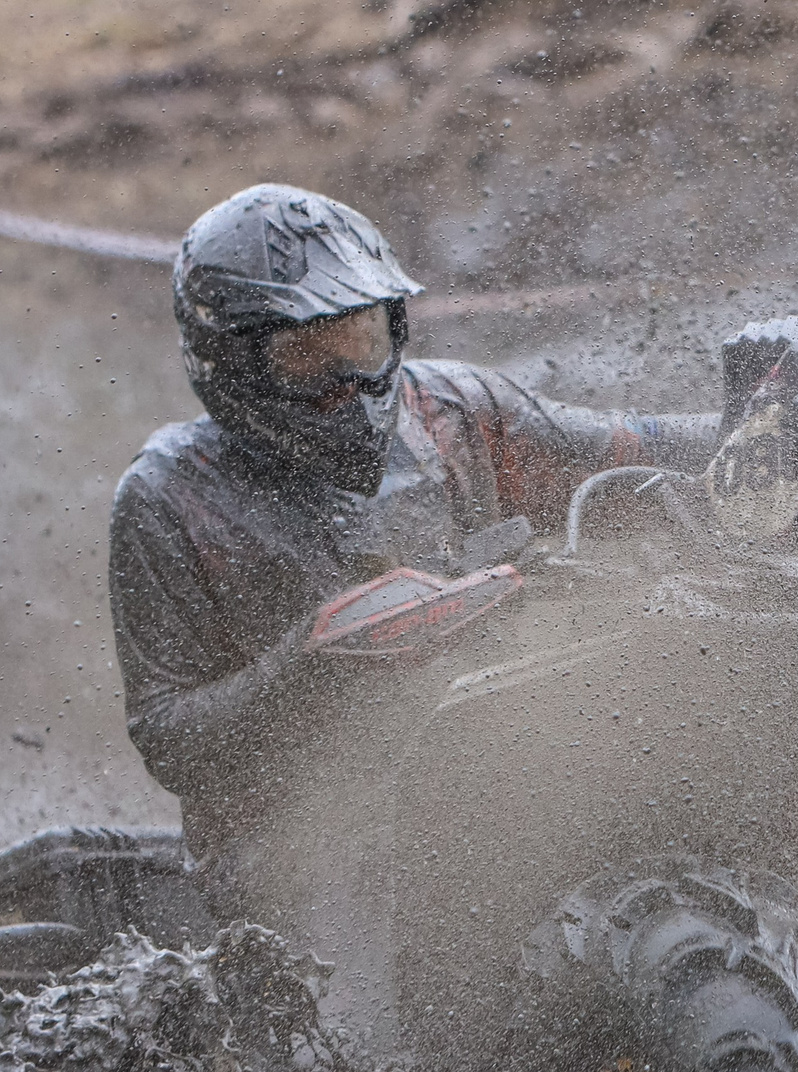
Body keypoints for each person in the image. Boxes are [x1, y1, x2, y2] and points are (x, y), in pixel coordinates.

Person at [106, 184, 719, 942]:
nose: (349, 388)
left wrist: (792, 406)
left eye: (360, 343)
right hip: (300, 850)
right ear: (230, 359)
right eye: (307, 356)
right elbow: (169, 738)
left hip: (516, 758)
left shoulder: (458, 410)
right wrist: (312, 665)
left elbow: (638, 452)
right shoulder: (169, 497)